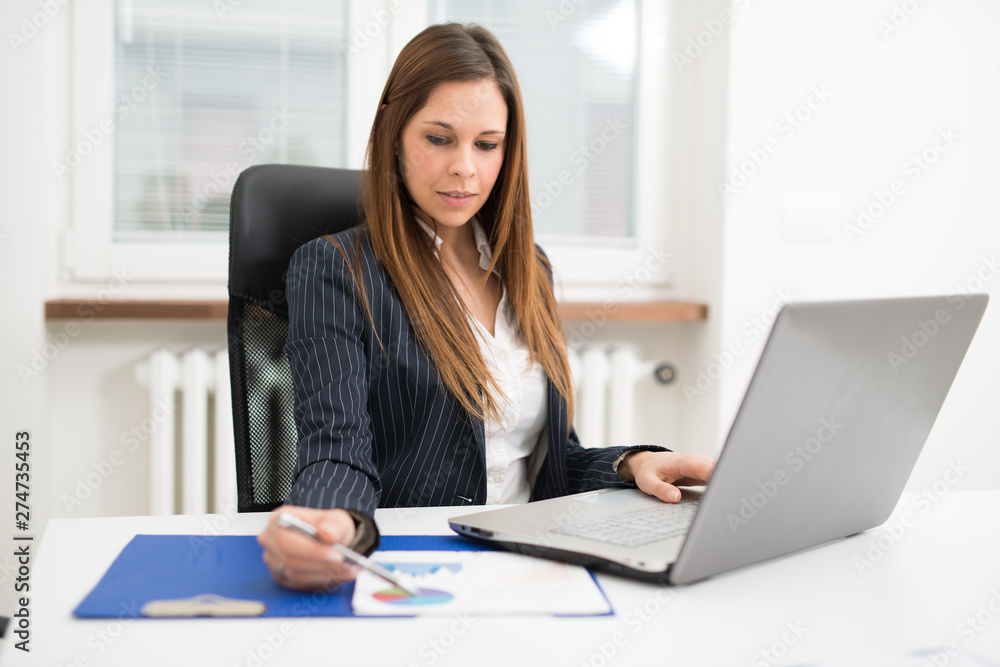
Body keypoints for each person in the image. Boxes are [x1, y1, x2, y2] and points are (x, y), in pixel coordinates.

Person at [257, 22, 715, 591]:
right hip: (417, 567)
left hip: (537, 565)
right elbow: (337, 449)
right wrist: (330, 524)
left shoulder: (530, 269)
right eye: (439, 138)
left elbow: (549, 459)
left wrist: (632, 465)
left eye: (486, 144)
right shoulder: (336, 269)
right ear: (395, 136)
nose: (465, 169)